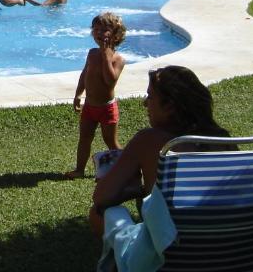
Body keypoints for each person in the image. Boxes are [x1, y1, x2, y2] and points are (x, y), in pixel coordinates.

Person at [90, 65, 231, 234]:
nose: (144, 104)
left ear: (169, 106)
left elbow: (101, 197)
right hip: (226, 241)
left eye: (150, 97)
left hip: (170, 250)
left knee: (97, 214)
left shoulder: (149, 141)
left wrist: (133, 191)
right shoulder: (223, 140)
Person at [66, 12, 126, 179]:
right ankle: (79, 169)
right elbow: (85, 74)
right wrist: (78, 94)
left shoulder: (118, 59)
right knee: (84, 138)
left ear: (116, 35)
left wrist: (106, 58)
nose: (99, 33)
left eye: (105, 30)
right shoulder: (92, 54)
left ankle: (128, 167)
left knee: (110, 141)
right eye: (96, 29)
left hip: (107, 108)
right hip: (90, 106)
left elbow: (109, 82)